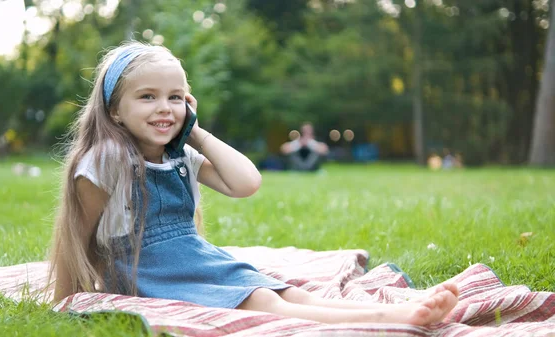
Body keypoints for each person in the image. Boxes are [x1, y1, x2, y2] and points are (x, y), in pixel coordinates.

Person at [49, 41, 459, 325]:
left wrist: (195, 132)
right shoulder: (106, 162)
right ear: (115, 111)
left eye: (176, 97)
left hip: (192, 259)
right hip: (147, 274)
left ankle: (408, 303)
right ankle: (387, 319)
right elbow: (75, 236)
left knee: (285, 292)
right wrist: (64, 301)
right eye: (148, 97)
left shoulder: (181, 157)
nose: (164, 108)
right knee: (262, 301)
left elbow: (247, 183)